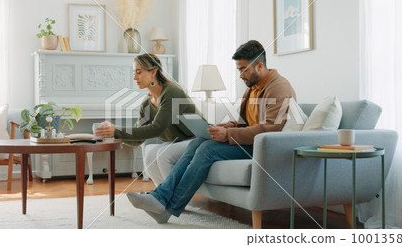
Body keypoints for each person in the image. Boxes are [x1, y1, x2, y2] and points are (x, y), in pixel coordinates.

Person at [126, 40, 297, 224]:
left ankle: (166, 205)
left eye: (243, 69)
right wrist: (225, 127)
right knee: (197, 142)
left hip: (263, 148)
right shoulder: (252, 88)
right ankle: (161, 199)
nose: (240, 75)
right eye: (238, 70)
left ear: (260, 66)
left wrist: (229, 135)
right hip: (248, 142)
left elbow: (271, 128)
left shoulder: (278, 87)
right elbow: (244, 122)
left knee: (208, 149)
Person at [94, 53, 197, 185]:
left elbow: (157, 128)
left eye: (139, 72)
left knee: (163, 154)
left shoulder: (171, 92)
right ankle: (162, 196)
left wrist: (116, 131)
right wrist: (110, 132)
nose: (134, 77)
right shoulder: (147, 104)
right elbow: (138, 139)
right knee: (150, 153)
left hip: (196, 139)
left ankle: (171, 198)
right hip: (177, 143)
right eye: (134, 72)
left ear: (153, 72)